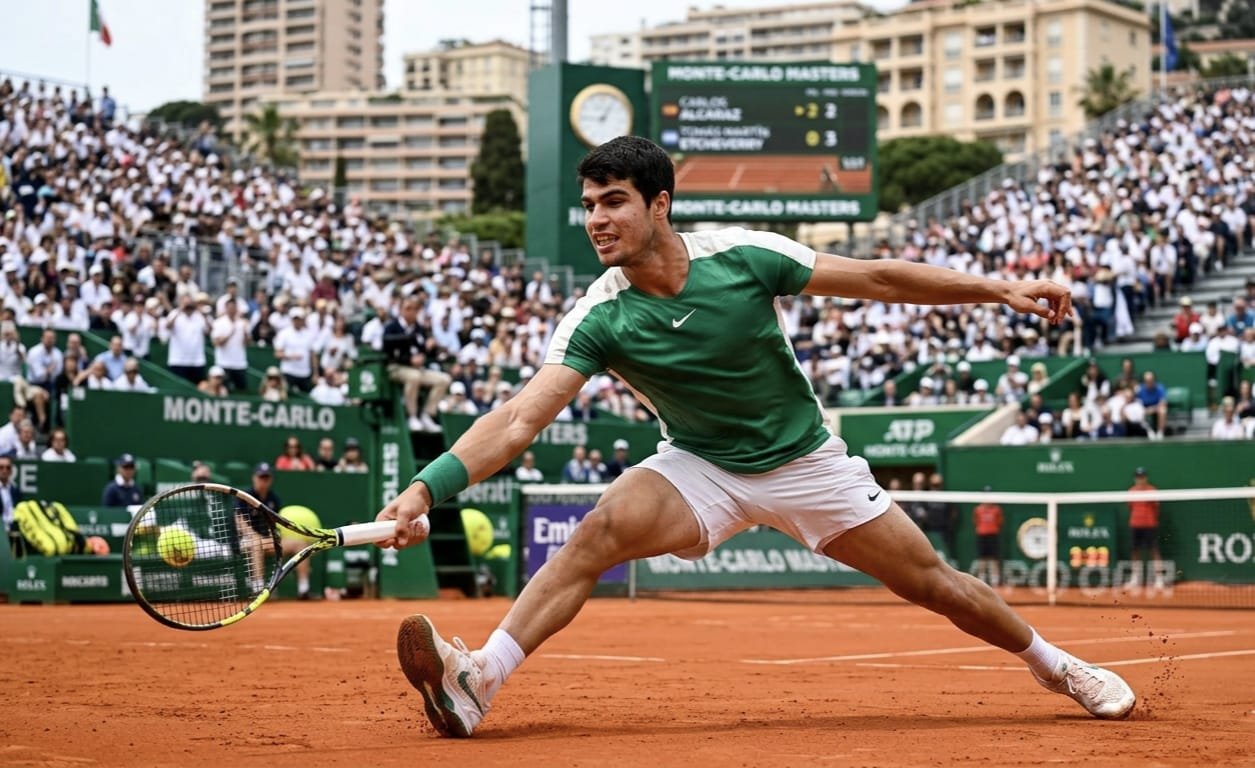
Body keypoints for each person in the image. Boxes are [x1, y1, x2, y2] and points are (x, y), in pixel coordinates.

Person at [374, 136, 1134, 739]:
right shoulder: (599, 314)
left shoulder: (743, 256)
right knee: (598, 531)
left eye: (614, 202)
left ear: (660, 204)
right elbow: (518, 419)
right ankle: (479, 680)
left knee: (936, 585)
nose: (597, 220)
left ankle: (1055, 665)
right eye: (589, 206)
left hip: (806, 463)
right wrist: (423, 489)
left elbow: (877, 279)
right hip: (698, 465)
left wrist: (998, 288)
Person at [383, 295, 451, 433]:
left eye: (415, 309)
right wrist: (409, 360)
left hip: (417, 368)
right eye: (408, 308)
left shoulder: (420, 328)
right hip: (395, 367)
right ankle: (412, 416)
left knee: (444, 379)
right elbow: (387, 347)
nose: (412, 312)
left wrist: (428, 349)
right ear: (401, 310)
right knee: (414, 377)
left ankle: (427, 414)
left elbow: (422, 350)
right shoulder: (392, 327)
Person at [1127, 468, 1161, 589]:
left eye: (1142, 477)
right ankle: (1135, 579)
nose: (1140, 480)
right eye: (1138, 477)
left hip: (1149, 525)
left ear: (1146, 478)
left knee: (1154, 551)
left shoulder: (1152, 491)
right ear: (1135, 479)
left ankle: (1159, 579)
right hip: (1135, 525)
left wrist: (1151, 520)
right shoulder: (1131, 491)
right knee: (1135, 552)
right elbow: (1130, 507)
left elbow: (1157, 508)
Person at [972, 487, 1004, 587]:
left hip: (992, 536)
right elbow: (975, 521)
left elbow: (999, 522)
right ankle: (981, 579)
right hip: (982, 536)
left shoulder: (997, 509)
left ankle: (995, 580)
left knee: (994, 558)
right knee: (982, 558)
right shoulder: (978, 509)